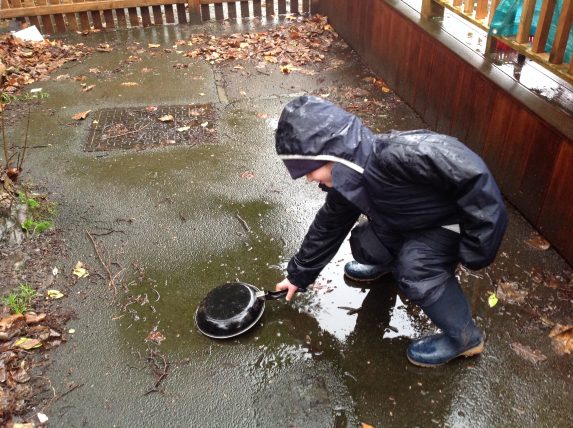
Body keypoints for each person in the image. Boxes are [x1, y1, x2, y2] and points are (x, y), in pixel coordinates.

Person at [274, 95, 508, 367]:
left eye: (309, 169)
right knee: (364, 244)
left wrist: (477, 248)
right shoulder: (345, 180)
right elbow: (329, 225)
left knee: (415, 268)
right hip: (407, 222)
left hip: (448, 224)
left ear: (330, 155)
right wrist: (298, 275)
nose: (309, 178)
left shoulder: (396, 155)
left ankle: (464, 338)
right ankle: (391, 267)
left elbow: (475, 175)